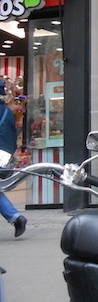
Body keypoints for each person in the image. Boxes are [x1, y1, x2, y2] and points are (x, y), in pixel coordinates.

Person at [0, 81, 27, 237]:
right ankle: (16, 218)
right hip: (4, 155)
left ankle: (16, 217)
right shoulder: (8, 113)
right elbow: (13, 136)